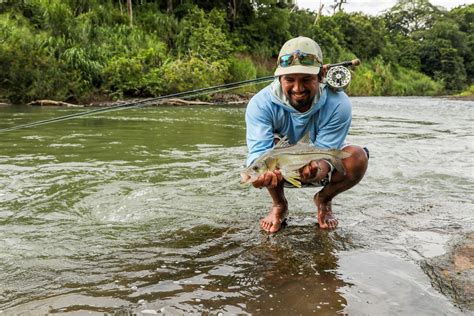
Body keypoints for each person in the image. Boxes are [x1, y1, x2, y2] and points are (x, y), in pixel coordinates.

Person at [244, 36, 369, 233]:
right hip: (281, 167)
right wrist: (257, 175)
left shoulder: (339, 103)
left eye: (306, 79)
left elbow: (325, 154)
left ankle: (324, 200)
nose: (297, 89)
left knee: (357, 157)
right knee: (269, 157)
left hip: (317, 159)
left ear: (321, 76)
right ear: (279, 78)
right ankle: (279, 205)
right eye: (289, 79)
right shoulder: (260, 104)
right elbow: (258, 151)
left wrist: (317, 169)